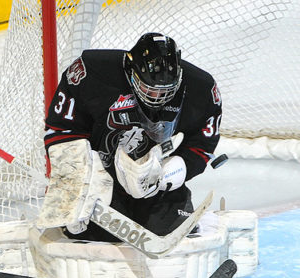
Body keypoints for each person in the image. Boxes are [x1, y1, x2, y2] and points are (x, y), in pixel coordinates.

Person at [44, 32, 222, 241]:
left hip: (156, 184)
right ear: (131, 72)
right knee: (95, 237)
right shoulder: (91, 73)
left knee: (174, 233)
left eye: (166, 92)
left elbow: (202, 144)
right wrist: (78, 180)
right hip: (99, 181)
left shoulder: (202, 88)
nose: (157, 98)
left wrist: (175, 170)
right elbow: (61, 130)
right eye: (149, 89)